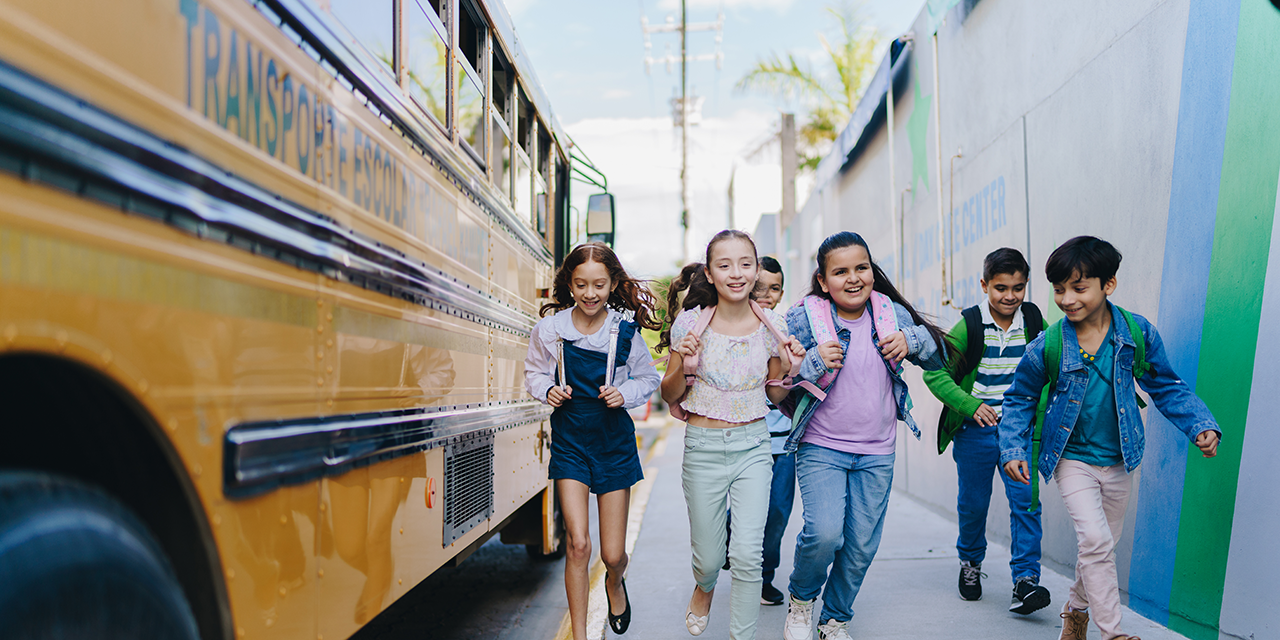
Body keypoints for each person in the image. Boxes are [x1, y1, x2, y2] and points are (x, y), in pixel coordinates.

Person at [998, 236, 1221, 640]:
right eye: (1059, 289)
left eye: (1078, 287)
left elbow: (1166, 385)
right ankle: (1114, 633)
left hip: (1120, 458)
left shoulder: (1134, 334)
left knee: (1099, 548)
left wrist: (1199, 425)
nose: (1066, 298)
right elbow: (1019, 398)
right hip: (1071, 458)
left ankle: (1076, 610)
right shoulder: (1048, 345)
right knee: (1097, 539)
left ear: (1108, 285)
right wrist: (1013, 447)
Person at [781, 231, 950, 640]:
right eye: (840, 272)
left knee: (860, 547)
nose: (853, 278)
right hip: (822, 445)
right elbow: (777, 381)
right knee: (823, 533)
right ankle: (803, 601)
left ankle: (834, 619)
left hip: (877, 450)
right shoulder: (805, 317)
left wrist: (909, 341)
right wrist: (812, 363)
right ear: (823, 280)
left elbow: (937, 355)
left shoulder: (888, 313)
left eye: (862, 268)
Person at [658, 230, 805, 640]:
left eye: (745, 264)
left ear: (757, 270)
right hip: (703, 449)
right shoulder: (691, 322)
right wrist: (684, 363)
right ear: (710, 272)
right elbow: (670, 393)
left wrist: (791, 368)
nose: (736, 274)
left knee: (746, 556)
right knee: (709, 560)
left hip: (753, 447)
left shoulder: (772, 325)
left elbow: (775, 394)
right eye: (724, 265)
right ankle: (704, 587)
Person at [524, 242, 662, 640]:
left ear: (613, 283)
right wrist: (547, 389)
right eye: (581, 284)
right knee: (578, 544)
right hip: (570, 441)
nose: (589, 293)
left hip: (613, 441)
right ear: (569, 283)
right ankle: (582, 636)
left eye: (599, 285)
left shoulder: (624, 330)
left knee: (612, 554)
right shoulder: (550, 330)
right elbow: (534, 373)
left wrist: (626, 394)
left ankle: (615, 581)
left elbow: (647, 378)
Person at [922, 248, 1052, 613]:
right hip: (976, 432)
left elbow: (1046, 369)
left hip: (1018, 433)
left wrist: (1035, 415)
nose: (1010, 296)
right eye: (1000, 288)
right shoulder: (969, 325)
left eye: (1018, 287)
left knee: (1026, 503)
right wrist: (970, 405)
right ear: (984, 285)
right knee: (974, 505)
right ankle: (970, 563)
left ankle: (1025, 581)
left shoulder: (1033, 321)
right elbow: (935, 372)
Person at [752, 256, 795, 606]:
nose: (767, 294)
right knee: (740, 510)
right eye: (759, 287)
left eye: (775, 288)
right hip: (745, 439)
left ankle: (764, 578)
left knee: (778, 513)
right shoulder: (733, 325)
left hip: (784, 443)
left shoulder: (788, 327)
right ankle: (726, 547)